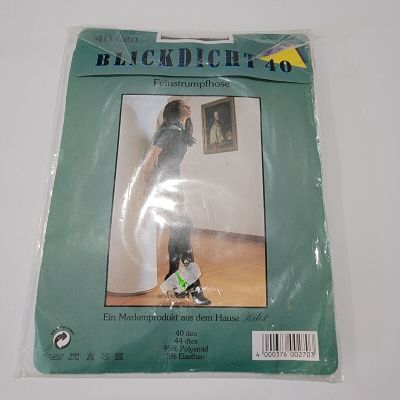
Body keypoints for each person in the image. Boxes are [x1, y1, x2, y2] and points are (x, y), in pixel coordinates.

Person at [142, 100, 211, 306]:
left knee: (179, 230)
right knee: (184, 226)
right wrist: (149, 188)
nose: (188, 106)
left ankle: (174, 278)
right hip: (162, 183)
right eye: (183, 104)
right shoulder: (167, 131)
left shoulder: (180, 131)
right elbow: (150, 160)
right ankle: (194, 287)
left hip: (173, 181)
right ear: (174, 110)